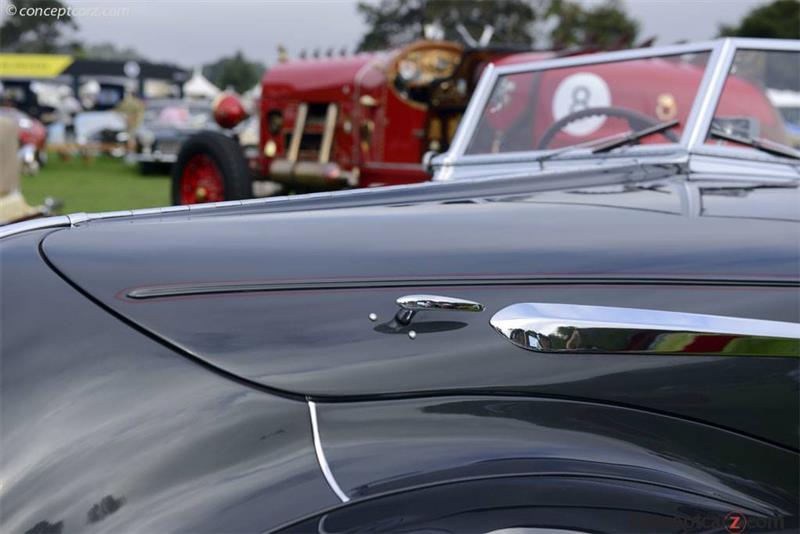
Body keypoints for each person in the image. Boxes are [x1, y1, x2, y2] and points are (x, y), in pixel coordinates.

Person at [114, 88, 145, 153]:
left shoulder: (128, 102)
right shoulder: (138, 103)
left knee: (130, 138)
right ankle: (130, 151)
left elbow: (117, 110)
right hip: (132, 124)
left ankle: (129, 151)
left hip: (128, 123)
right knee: (130, 138)